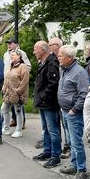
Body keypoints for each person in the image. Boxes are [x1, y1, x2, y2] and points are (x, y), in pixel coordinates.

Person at [57, 45, 90, 179]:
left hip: (73, 113)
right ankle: (74, 165)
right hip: (65, 110)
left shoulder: (79, 72)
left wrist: (74, 110)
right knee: (71, 141)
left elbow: (84, 94)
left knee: (76, 142)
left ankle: (81, 170)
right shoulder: (64, 69)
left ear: (69, 58)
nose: (58, 57)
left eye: (60, 55)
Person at [32, 41, 62, 169]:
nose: (34, 52)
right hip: (42, 102)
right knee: (46, 129)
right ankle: (47, 151)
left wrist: (44, 96)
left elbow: (53, 82)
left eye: (35, 49)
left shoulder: (52, 62)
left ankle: (55, 156)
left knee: (52, 129)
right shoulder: (43, 62)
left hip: (49, 102)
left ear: (43, 50)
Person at [3, 38, 31, 132]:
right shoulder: (6, 54)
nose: (9, 45)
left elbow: (28, 67)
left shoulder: (21, 53)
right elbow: (5, 67)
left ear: (16, 44)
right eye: (8, 43)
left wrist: (19, 74)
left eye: (11, 43)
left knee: (18, 105)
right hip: (7, 82)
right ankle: (13, 120)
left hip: (17, 82)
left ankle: (20, 123)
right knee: (7, 105)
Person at [49, 37, 70, 157]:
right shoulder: (54, 60)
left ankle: (68, 147)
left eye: (50, 44)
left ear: (56, 45)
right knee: (60, 124)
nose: (49, 46)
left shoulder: (64, 61)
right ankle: (63, 145)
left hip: (66, 101)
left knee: (66, 125)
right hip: (58, 98)